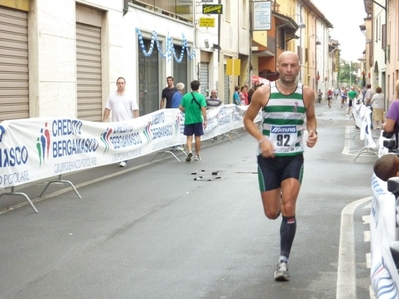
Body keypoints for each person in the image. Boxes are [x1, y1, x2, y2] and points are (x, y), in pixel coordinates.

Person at [243, 51, 318, 282]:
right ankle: (280, 212)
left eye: (292, 65)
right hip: (268, 160)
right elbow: (247, 120)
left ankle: (283, 261)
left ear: (299, 67)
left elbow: (311, 118)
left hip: (293, 157)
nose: (288, 69)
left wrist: (313, 132)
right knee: (271, 212)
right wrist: (263, 140)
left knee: (288, 206)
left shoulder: (306, 93)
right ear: (278, 67)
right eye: (284, 65)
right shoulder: (264, 93)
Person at [103, 77, 139, 167]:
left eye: (122, 83)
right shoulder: (111, 96)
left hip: (126, 123)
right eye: (119, 83)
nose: (120, 84)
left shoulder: (130, 95)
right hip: (115, 123)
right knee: (118, 141)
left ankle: (124, 159)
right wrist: (104, 120)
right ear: (116, 84)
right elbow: (107, 108)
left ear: (125, 84)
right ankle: (120, 157)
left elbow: (135, 109)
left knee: (124, 141)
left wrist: (137, 120)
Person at [179, 80, 207, 162]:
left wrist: (185, 111)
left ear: (191, 87)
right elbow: (203, 109)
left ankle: (190, 150)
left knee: (189, 137)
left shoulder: (185, 96)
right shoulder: (201, 97)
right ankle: (197, 155)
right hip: (198, 120)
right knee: (197, 137)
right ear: (198, 87)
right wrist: (205, 119)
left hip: (188, 120)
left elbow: (180, 107)